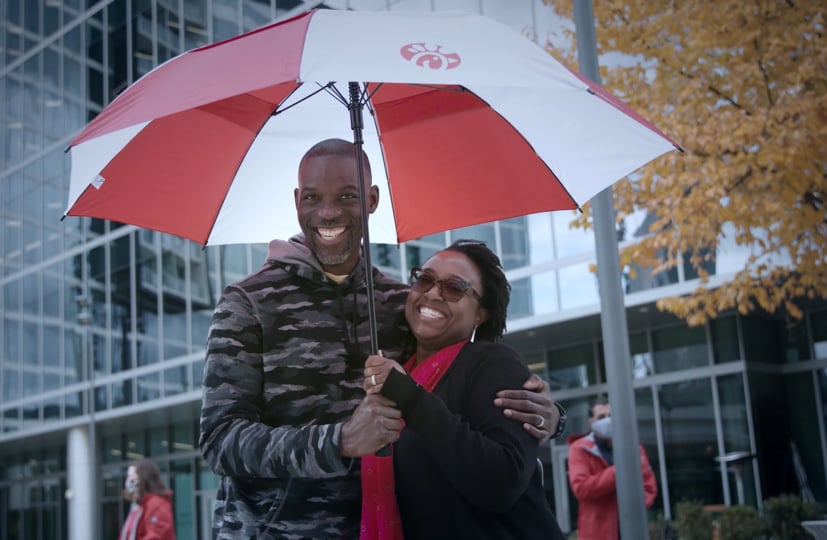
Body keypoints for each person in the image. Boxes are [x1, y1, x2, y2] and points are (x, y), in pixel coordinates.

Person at [198, 138, 565, 539]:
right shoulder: (248, 301)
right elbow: (219, 440)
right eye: (313, 197)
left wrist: (548, 416)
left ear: (371, 200)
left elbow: (454, 387)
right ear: (296, 200)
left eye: (347, 196)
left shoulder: (397, 302)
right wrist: (337, 440)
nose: (328, 212)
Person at [362, 240, 565, 539]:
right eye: (425, 279)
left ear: (481, 314)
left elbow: (502, 483)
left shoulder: (493, 363)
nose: (433, 293)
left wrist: (410, 397)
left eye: (454, 288)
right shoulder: (402, 366)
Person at [567, 397, 657, 540]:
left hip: (632, 531)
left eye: (610, 415)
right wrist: (621, 470)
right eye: (601, 417)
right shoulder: (579, 449)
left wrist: (632, 508)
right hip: (598, 533)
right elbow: (582, 488)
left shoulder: (634, 447)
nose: (607, 420)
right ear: (591, 422)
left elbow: (649, 487)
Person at [118, 459, 176, 540]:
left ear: (143, 477)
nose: (128, 480)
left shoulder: (156, 504)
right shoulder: (138, 508)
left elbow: (157, 535)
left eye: (132, 475)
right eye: (128, 476)